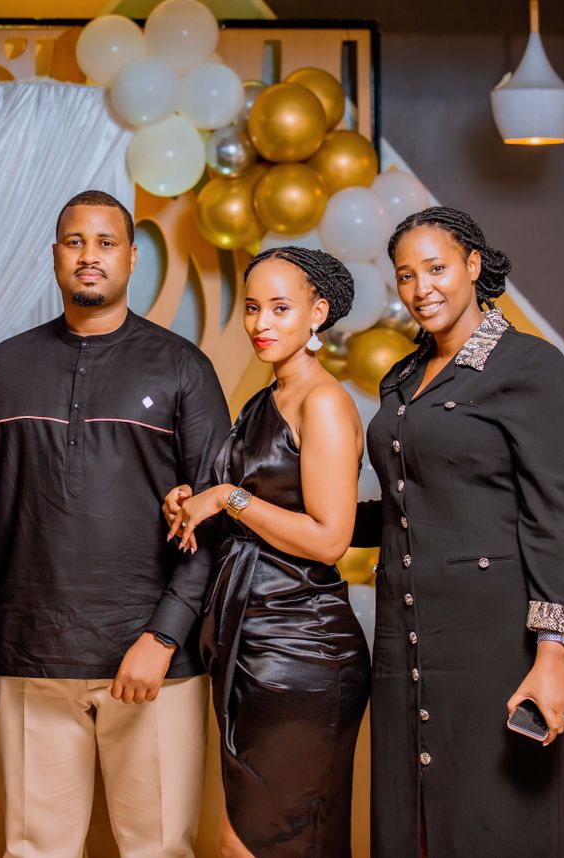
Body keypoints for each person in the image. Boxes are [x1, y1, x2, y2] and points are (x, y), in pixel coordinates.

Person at [0, 190, 231, 858]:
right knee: (34, 850)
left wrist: (163, 637)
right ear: (55, 255)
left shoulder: (182, 366)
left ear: (132, 258)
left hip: (153, 658)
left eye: (106, 243)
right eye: (75, 242)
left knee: (158, 849)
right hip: (29, 652)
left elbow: (215, 517)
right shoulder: (5, 364)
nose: (90, 256)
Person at [355, 206, 564, 857]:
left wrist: (552, 655)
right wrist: (267, 506)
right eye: (406, 275)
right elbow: (404, 507)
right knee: (409, 826)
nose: (420, 288)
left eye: (436, 268)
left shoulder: (530, 366)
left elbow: (549, 518)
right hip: (405, 637)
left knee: (495, 824)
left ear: (473, 265)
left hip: (495, 641)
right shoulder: (401, 377)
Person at [163, 247, 371, 857]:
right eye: (253, 308)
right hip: (251, 641)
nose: (261, 323)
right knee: (248, 839)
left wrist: (228, 498)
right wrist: (192, 502)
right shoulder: (265, 397)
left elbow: (330, 538)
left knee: (258, 842)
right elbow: (255, 506)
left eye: (281, 308)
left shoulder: (323, 401)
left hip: (301, 649)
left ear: (317, 313)